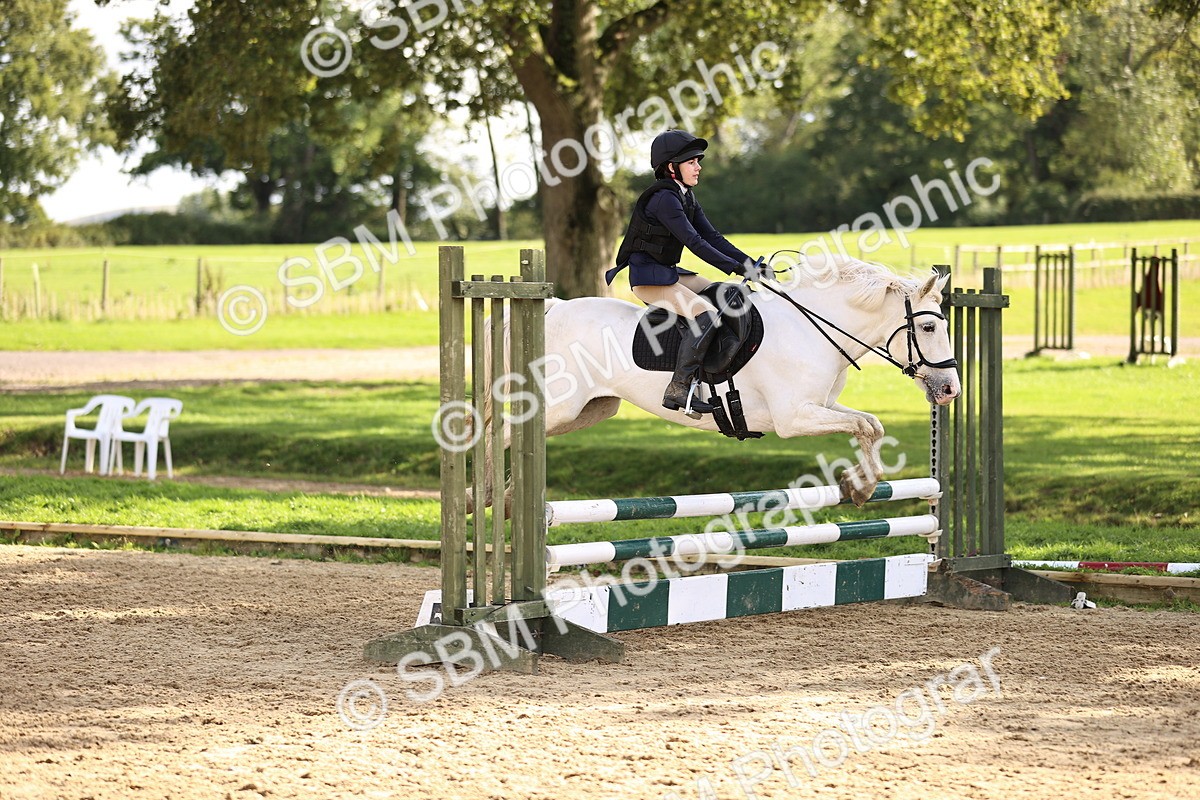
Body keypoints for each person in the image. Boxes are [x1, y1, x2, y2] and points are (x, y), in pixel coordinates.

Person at [606, 129, 760, 416]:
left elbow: (713, 237)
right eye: (691, 162)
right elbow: (695, 243)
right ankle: (679, 388)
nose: (698, 166)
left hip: (667, 271)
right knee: (706, 315)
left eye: (698, 160)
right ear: (671, 167)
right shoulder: (664, 199)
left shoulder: (685, 196)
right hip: (649, 279)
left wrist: (749, 264)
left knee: (724, 292)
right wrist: (737, 267)